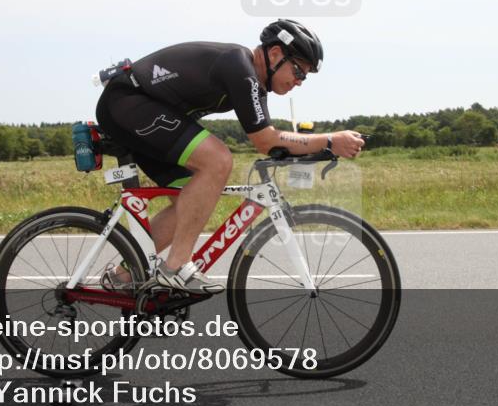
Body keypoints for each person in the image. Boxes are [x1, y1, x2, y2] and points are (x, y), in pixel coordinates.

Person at [95, 19, 365, 295]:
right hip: (127, 101)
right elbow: (264, 139)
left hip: (139, 111)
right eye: (298, 71)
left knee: (189, 202)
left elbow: (271, 139)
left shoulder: (254, 84)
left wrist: (320, 147)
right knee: (217, 160)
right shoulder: (238, 66)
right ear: (274, 54)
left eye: (304, 77)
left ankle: (122, 277)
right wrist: (330, 140)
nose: (299, 81)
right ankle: (176, 267)